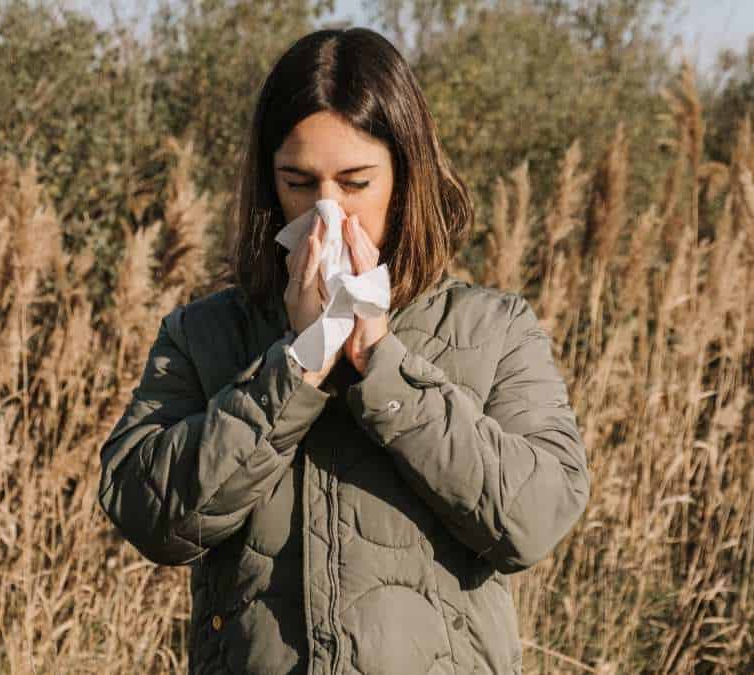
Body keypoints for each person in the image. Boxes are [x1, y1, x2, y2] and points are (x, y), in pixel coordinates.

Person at [98, 26, 591, 675]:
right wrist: (295, 367)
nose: (327, 214)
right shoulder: (206, 334)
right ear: (269, 185)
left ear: (406, 176)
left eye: (355, 182)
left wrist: (383, 364)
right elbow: (148, 511)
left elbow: (533, 517)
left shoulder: (493, 329)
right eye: (299, 183)